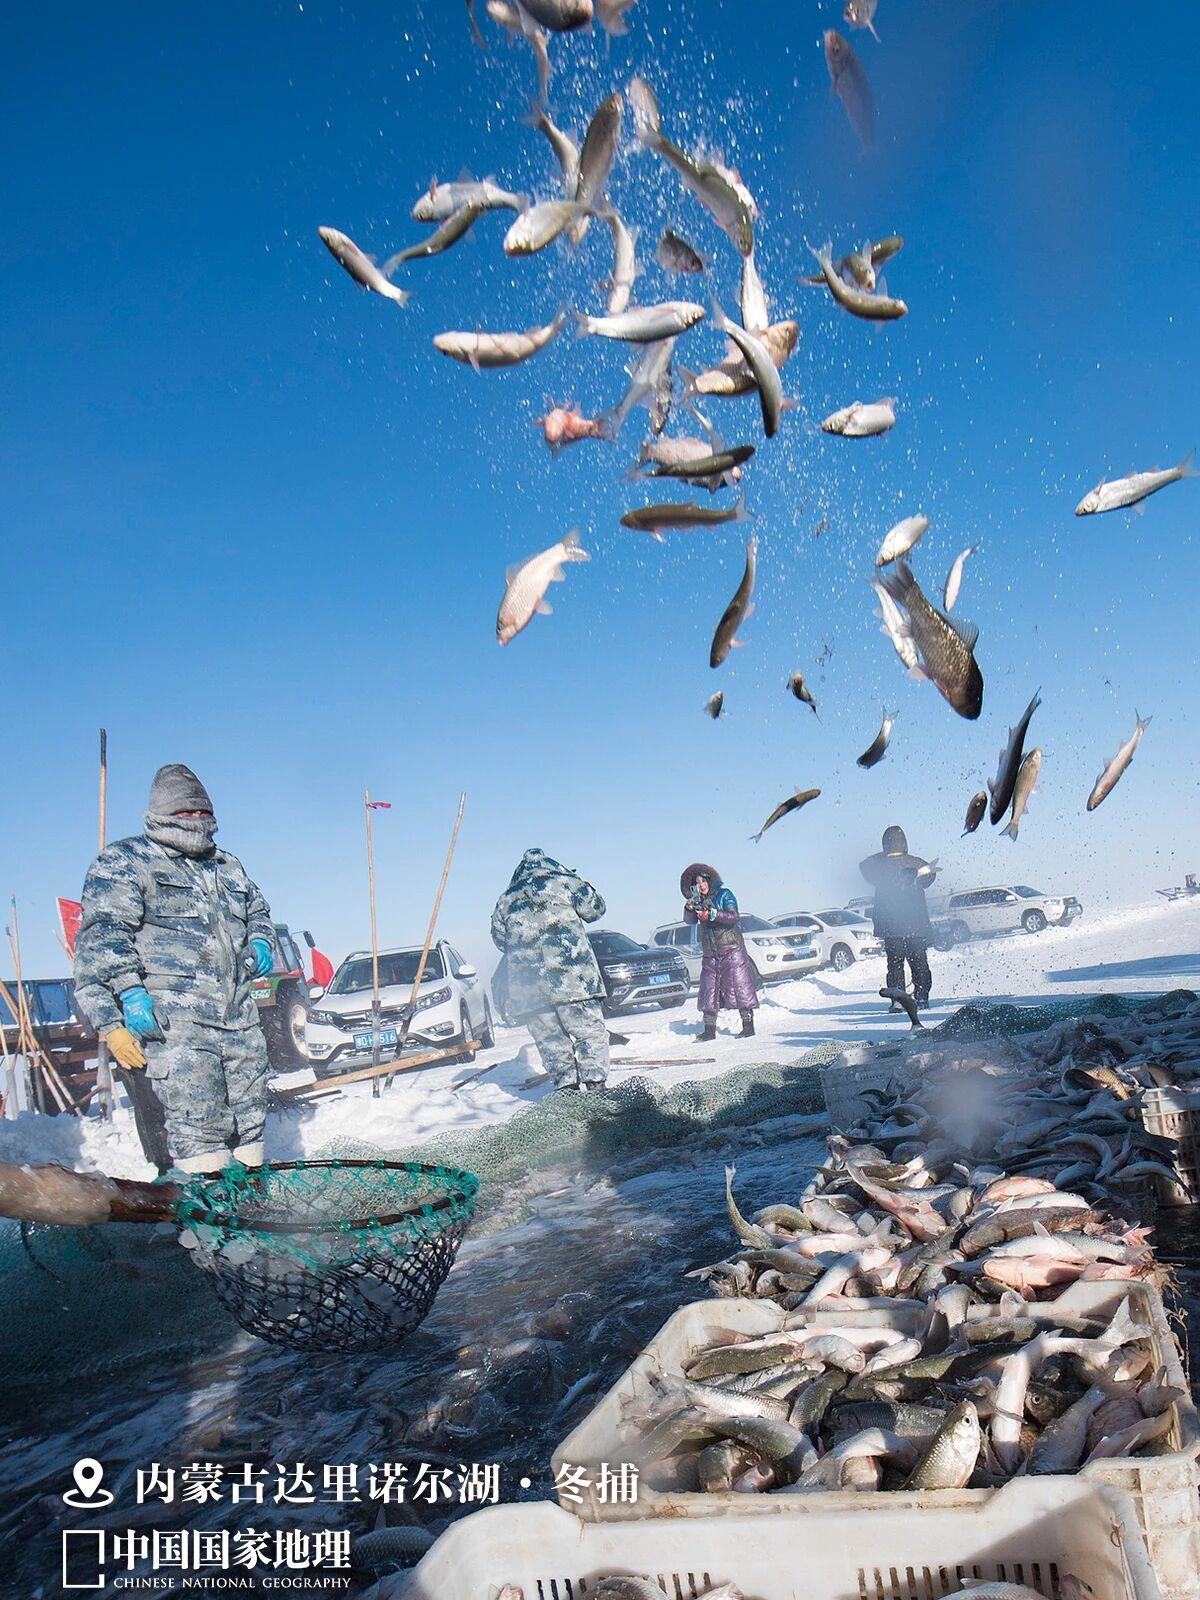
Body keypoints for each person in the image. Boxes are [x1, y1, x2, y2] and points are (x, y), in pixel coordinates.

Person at [73, 764, 276, 1175]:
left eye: (203, 812)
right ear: (162, 814)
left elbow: (258, 910)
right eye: (185, 812)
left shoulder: (226, 865)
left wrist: (260, 938)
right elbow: (102, 938)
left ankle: (253, 1203)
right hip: (174, 1027)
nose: (195, 820)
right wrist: (124, 1002)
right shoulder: (126, 861)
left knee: (250, 1126)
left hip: (238, 1019)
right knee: (198, 1130)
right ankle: (208, 1212)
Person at [490, 847, 610, 1090]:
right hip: (573, 981)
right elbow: (596, 908)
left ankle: (567, 1092)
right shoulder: (565, 882)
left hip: (531, 989)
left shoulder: (505, 900)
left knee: (551, 1042)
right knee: (588, 1032)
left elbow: (500, 941)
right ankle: (596, 1088)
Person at [859, 825, 937, 1010]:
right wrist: (904, 859)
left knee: (895, 965)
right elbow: (931, 874)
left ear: (884, 843)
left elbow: (864, 866)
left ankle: (898, 1001)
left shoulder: (878, 866)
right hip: (915, 927)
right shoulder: (917, 864)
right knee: (919, 963)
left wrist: (886, 855)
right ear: (905, 842)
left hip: (891, 928)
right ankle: (922, 998)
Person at [680, 863, 758, 1041]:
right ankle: (709, 1030)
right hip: (710, 952)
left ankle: (748, 1025)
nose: (701, 885)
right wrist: (689, 909)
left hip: (731, 949)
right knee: (709, 990)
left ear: (709, 880)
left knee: (740, 987)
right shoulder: (698, 900)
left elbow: (733, 916)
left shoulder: (725, 894)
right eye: (697, 883)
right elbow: (690, 921)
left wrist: (713, 914)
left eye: (703, 881)